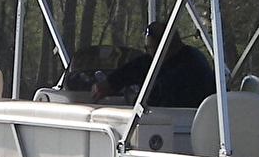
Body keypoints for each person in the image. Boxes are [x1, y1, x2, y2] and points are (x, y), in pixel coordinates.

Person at [89, 21, 217, 107]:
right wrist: (111, 82)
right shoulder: (174, 57)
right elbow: (139, 66)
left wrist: (135, 102)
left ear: (164, 46)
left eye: (148, 48)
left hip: (185, 124)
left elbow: (153, 99)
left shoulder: (188, 67)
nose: (147, 52)